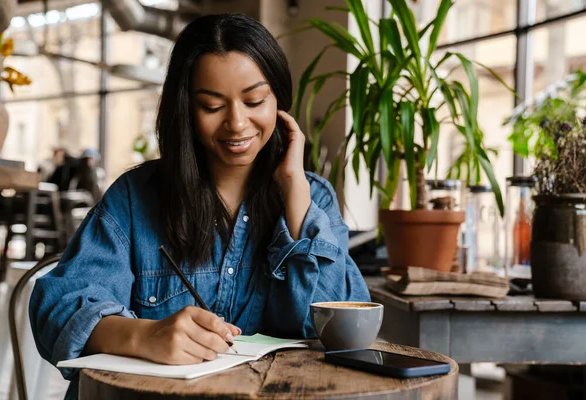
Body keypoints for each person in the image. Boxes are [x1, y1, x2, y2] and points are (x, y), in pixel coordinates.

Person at [29, 13, 370, 399]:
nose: (237, 124)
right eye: (211, 106)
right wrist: (144, 336)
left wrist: (295, 194)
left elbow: (346, 331)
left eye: (255, 100)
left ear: (279, 100)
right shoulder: (135, 197)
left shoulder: (313, 200)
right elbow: (55, 308)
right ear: (186, 110)